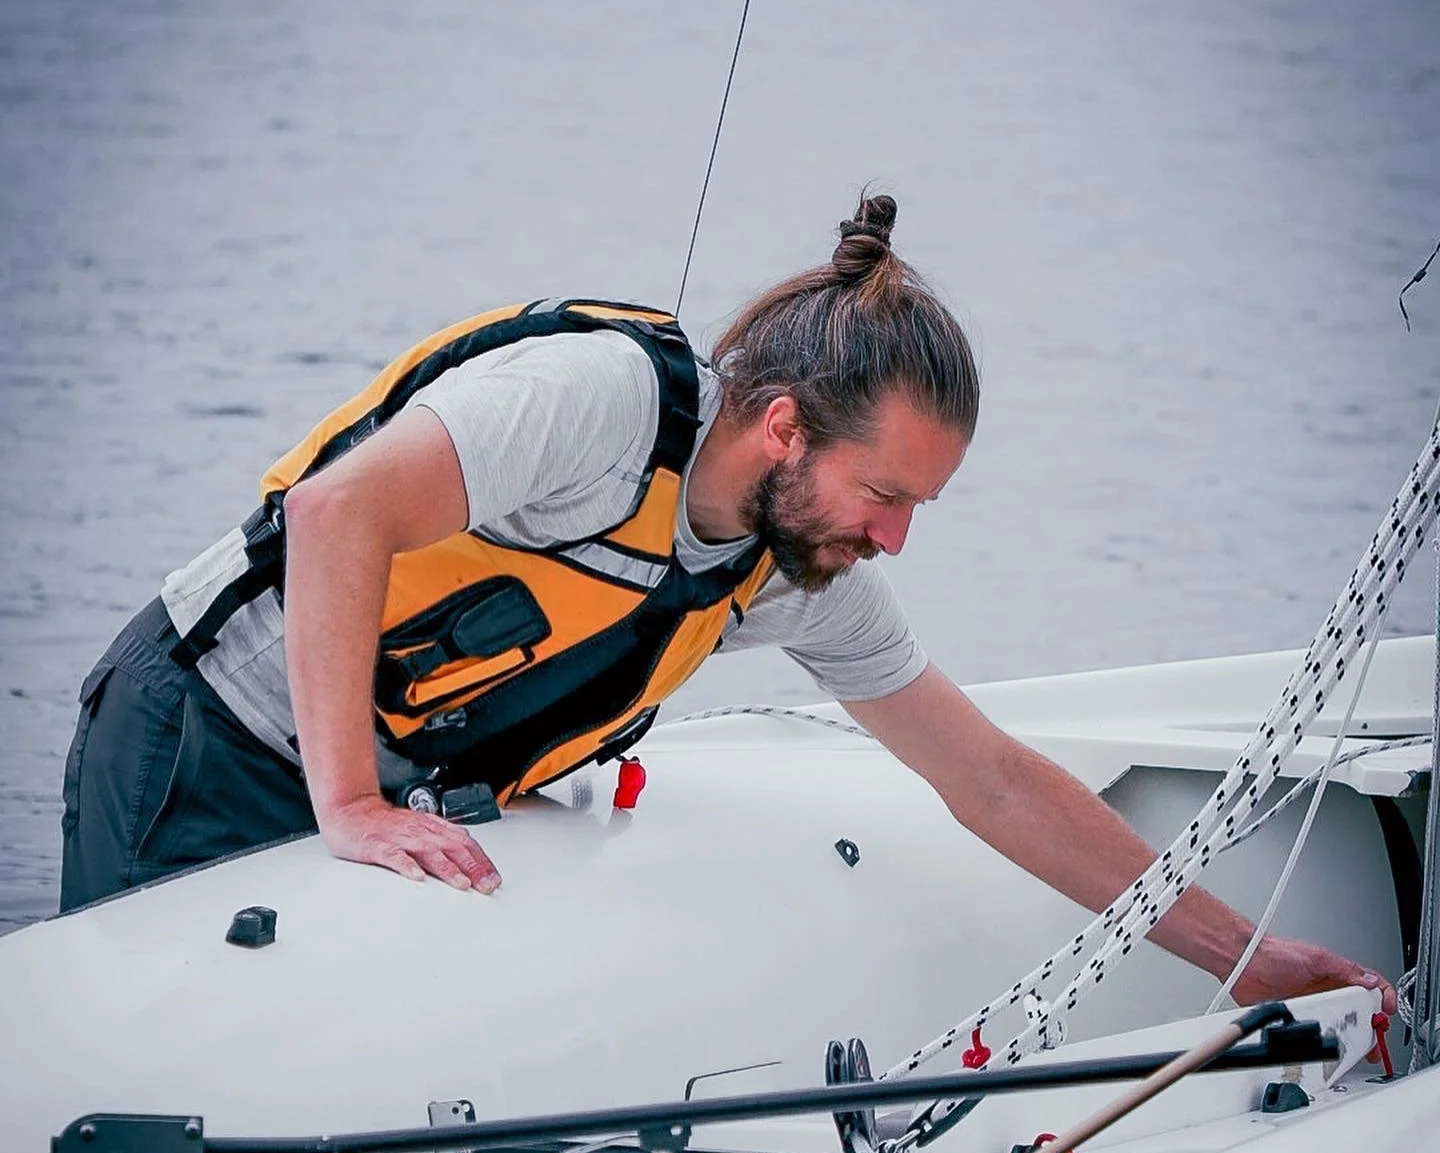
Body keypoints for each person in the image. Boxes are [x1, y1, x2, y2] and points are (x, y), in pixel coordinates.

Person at [59, 193, 1394, 1012]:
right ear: (780, 430)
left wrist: (1245, 956)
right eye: (887, 493)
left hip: (383, 795)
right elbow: (337, 510)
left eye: (920, 508)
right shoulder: (593, 402)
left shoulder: (796, 573)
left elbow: (992, 782)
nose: (897, 537)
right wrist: (349, 807)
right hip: (202, 738)